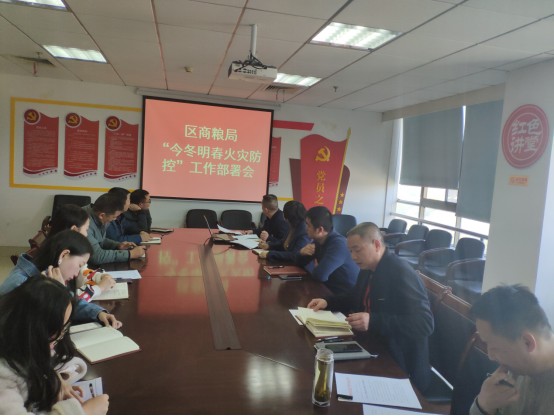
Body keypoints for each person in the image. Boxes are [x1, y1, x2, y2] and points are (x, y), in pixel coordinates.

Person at [307, 222, 434, 392]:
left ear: (376, 244)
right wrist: (328, 302)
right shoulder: (368, 268)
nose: (353, 257)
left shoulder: (400, 272)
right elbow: (354, 296)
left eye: (357, 250)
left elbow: (425, 323)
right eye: (350, 251)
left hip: (399, 361)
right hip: (372, 344)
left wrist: (373, 321)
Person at [0, 277, 109, 414]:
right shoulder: (4, 377)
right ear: (36, 330)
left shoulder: (22, 343)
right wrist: (85, 412)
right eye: (58, 330)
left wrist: (55, 379)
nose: (60, 336)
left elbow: (49, 363)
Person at [0, 230, 122, 328]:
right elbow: (43, 327)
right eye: (79, 265)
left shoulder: (49, 274)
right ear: (64, 255)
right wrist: (58, 294)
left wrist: (98, 313)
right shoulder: (19, 283)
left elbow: (72, 301)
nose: (77, 273)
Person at [470, 285, 554, 415]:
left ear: (527, 342)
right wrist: (483, 406)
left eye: (495, 348)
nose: (490, 356)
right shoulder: (516, 370)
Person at [48, 203, 117, 301]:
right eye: (86, 229)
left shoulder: (69, 249)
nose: (87, 234)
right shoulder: (50, 268)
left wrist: (100, 277)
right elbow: (68, 300)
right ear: (74, 230)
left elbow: (82, 272)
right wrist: (99, 288)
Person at [296, 206, 358, 295]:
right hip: (328, 288)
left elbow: (320, 275)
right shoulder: (318, 240)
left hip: (343, 295)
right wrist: (301, 253)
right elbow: (300, 263)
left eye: (308, 225)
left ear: (320, 230)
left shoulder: (339, 245)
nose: (306, 228)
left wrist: (316, 269)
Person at [84, 193, 145, 265]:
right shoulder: (84, 223)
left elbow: (100, 240)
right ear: (102, 215)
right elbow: (97, 256)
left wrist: (117, 245)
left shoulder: (97, 215)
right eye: (114, 217)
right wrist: (130, 254)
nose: (115, 219)